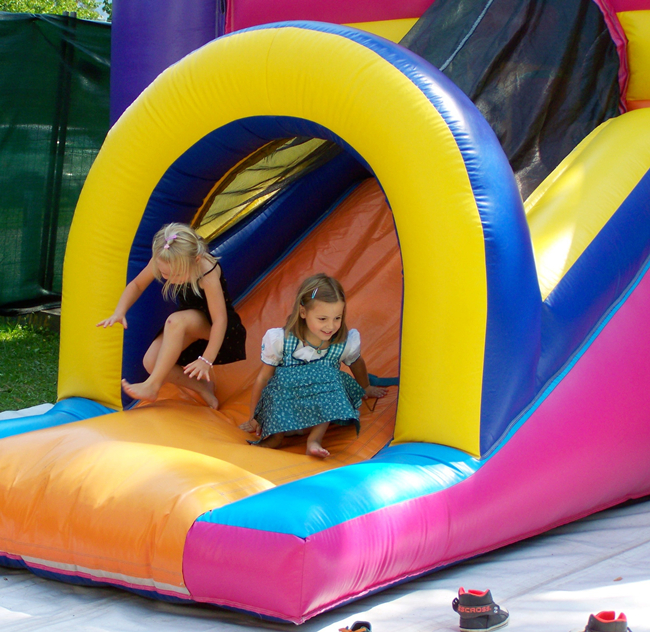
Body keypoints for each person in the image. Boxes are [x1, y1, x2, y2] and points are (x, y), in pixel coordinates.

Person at [98, 222, 246, 408]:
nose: (168, 278)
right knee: (151, 362)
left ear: (195, 260)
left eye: (175, 275)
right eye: (163, 273)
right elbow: (136, 285)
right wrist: (120, 311)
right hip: (188, 320)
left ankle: (152, 386)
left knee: (174, 321)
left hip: (219, 329)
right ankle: (202, 387)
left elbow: (220, 320)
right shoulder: (164, 257)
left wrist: (206, 359)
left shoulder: (206, 271)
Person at [239, 273, 386, 457]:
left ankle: (314, 440)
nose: (330, 326)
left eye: (337, 318)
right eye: (322, 319)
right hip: (285, 415)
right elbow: (264, 378)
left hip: (319, 416)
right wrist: (254, 417)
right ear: (303, 312)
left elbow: (357, 363)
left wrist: (366, 387)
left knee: (330, 377)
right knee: (279, 382)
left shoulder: (342, 344)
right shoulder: (282, 340)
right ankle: (275, 437)